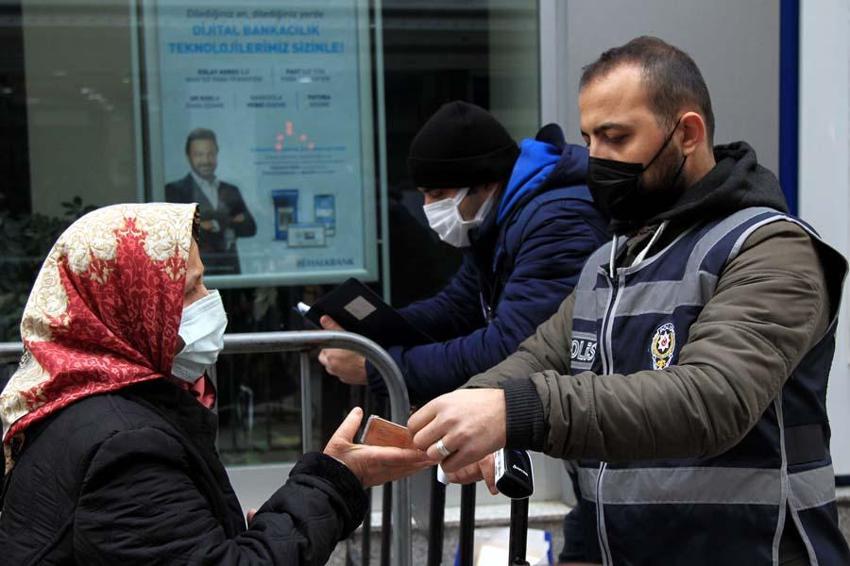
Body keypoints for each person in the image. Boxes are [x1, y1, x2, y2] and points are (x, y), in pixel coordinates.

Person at [406, 37, 850, 566]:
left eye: (616, 138)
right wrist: (462, 413)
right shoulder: (610, 260)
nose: (596, 160)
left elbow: (710, 401)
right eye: (589, 138)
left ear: (686, 133)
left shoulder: (770, 249)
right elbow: (537, 358)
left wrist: (512, 412)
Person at [0, 203, 431, 565]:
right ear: (127, 309)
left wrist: (259, 524)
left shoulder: (77, 402)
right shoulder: (125, 448)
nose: (210, 301)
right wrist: (334, 481)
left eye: (204, 281)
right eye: (188, 292)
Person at [319, 101, 608, 402]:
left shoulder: (558, 222)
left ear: (485, 183)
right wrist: (373, 332)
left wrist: (378, 367)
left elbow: (513, 348)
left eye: (439, 195)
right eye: (425, 195)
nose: (429, 209)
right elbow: (458, 306)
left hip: (577, 408)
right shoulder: (497, 219)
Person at [166, 128, 256, 275]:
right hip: (196, 278)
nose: (206, 160)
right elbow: (179, 232)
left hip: (230, 276)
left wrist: (211, 224)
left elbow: (250, 227)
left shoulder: (231, 190)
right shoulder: (174, 191)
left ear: (217, 154)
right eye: (199, 155)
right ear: (188, 156)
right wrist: (230, 223)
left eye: (211, 154)